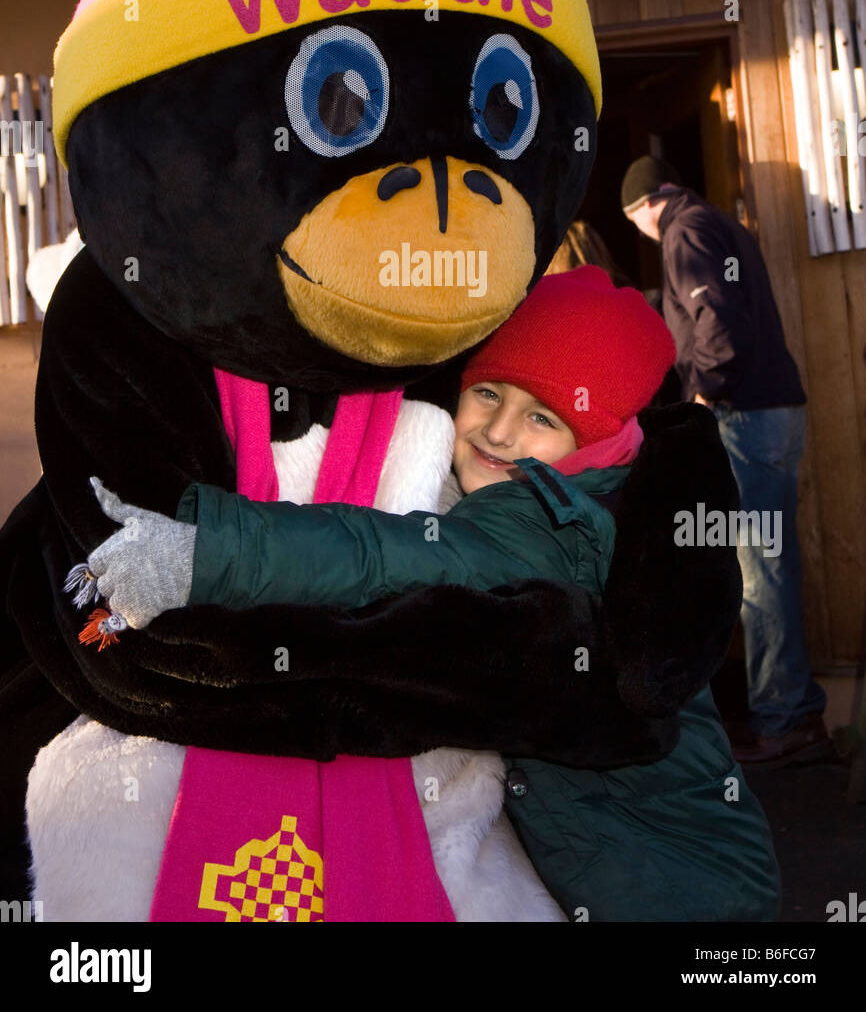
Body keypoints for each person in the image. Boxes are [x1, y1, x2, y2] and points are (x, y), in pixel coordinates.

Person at [73, 265, 780, 921]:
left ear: (592, 440)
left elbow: (385, 556)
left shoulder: (541, 522)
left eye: (543, 418)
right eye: (490, 393)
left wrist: (204, 549)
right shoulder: (615, 496)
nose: (500, 431)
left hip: (683, 888)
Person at [620, 155, 829, 767]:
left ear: (644, 206)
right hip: (773, 412)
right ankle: (794, 708)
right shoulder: (718, 223)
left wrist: (704, 397)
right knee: (771, 564)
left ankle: (785, 717)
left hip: (743, 418)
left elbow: (717, 322)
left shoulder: (683, 231)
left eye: (634, 221)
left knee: (759, 573)